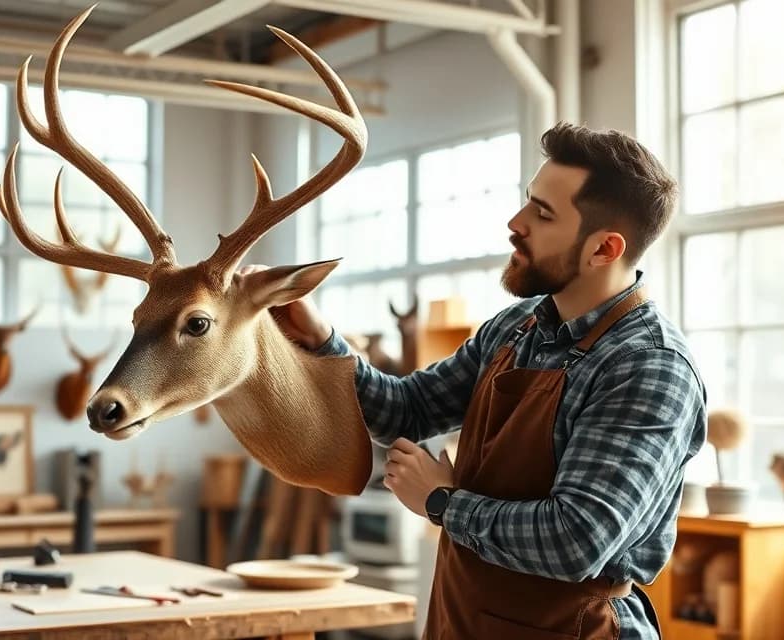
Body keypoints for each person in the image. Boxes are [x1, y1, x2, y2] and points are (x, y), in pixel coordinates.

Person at [250, 121, 706, 639]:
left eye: (543, 213)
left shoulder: (647, 366)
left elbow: (576, 540)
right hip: (465, 618)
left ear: (604, 249)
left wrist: (442, 502)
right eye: (527, 201)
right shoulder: (518, 327)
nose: (515, 222)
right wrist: (322, 340)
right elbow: (408, 410)